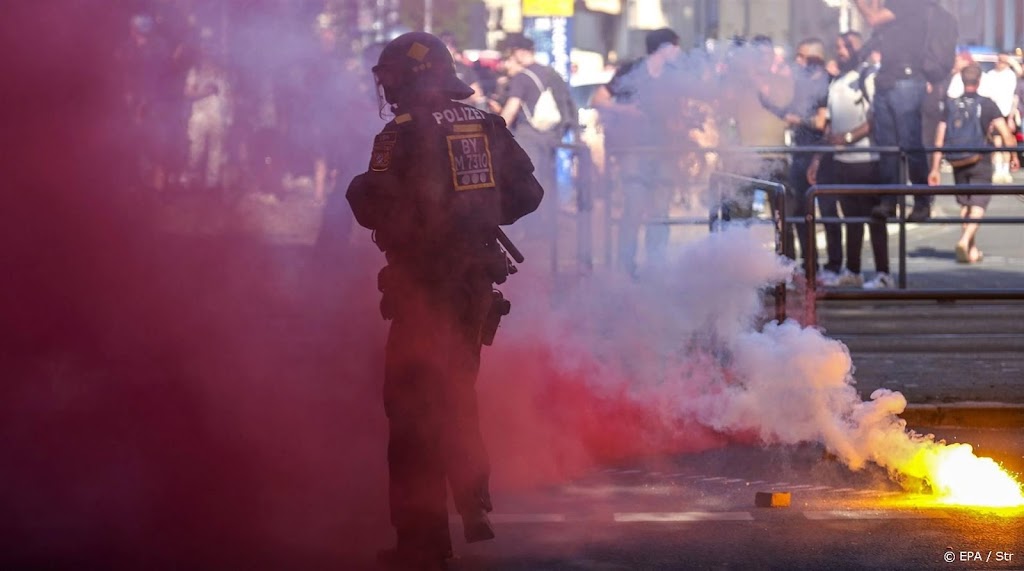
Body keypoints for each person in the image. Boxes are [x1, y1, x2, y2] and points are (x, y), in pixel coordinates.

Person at [345, 32, 543, 571]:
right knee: (456, 389)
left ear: (412, 76)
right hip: (474, 285)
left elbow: (370, 203)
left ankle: (421, 543)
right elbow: (528, 194)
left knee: (411, 408)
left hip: (423, 286)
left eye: (390, 77)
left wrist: (369, 192)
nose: (386, 88)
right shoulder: (485, 123)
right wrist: (478, 209)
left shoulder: (400, 135)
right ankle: (473, 495)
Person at [591, 28, 687, 276]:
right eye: (675, 46)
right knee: (633, 208)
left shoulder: (675, 75)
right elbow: (598, 99)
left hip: (664, 152)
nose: (679, 51)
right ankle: (626, 267)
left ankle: (656, 266)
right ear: (664, 47)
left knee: (661, 211)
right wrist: (627, 111)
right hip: (634, 151)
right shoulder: (631, 70)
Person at [808, 33, 893, 289]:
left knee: (874, 218)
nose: (841, 51)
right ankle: (853, 269)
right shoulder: (836, 82)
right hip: (842, 161)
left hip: (868, 159)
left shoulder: (868, 78)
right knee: (851, 219)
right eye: (838, 46)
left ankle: (883, 274)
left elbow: (876, 119)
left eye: (847, 46)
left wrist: (848, 137)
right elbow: (830, 125)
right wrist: (817, 159)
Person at [927, 63, 1017, 265]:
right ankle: (965, 240)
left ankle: (971, 250)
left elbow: (939, 138)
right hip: (980, 160)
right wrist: (1013, 155)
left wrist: (935, 168)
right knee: (978, 204)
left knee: (966, 204)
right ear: (979, 80)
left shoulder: (951, 105)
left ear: (962, 80)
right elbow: (1005, 134)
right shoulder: (987, 104)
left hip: (957, 160)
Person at [855, 0, 933, 222]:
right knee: (887, 146)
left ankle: (921, 201)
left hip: (906, 79)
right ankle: (889, 200)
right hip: (887, 80)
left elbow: (873, 17)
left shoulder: (908, 4)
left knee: (910, 143)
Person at [758, 37, 829, 273]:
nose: (797, 61)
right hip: (799, 155)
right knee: (799, 212)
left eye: (802, 56)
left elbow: (821, 123)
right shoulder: (802, 84)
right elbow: (787, 109)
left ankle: (821, 266)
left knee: (825, 212)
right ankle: (807, 264)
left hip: (818, 155)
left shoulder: (826, 84)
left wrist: (796, 119)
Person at [498, 34, 574, 233]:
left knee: (527, 182)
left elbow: (511, 108)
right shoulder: (552, 73)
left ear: (521, 53)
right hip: (552, 136)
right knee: (546, 181)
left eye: (512, 54)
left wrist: (495, 129)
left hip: (528, 136)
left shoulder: (522, 77)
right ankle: (547, 226)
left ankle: (529, 228)